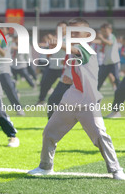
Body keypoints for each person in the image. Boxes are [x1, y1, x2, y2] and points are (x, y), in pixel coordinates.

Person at [28, 18, 125, 180]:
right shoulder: (73, 52)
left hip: (88, 100)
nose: (72, 35)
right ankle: (45, 167)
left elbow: (73, 50)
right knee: (49, 132)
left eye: (76, 33)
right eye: (70, 33)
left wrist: (57, 43)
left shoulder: (86, 49)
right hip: (72, 97)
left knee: (100, 136)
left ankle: (116, 169)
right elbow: (71, 73)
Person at [36, 21, 67, 105]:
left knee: (67, 87)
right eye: (59, 28)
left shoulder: (68, 38)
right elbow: (49, 54)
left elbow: (67, 48)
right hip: (53, 66)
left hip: (64, 68)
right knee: (44, 84)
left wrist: (55, 41)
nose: (60, 30)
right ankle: (41, 100)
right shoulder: (53, 39)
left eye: (62, 28)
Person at [95, 23, 121, 90]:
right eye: (102, 31)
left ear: (110, 30)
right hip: (106, 63)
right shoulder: (105, 39)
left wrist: (101, 37)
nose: (103, 33)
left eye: (105, 31)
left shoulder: (112, 36)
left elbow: (109, 42)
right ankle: (95, 95)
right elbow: (101, 42)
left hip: (114, 62)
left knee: (117, 80)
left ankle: (120, 93)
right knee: (99, 80)